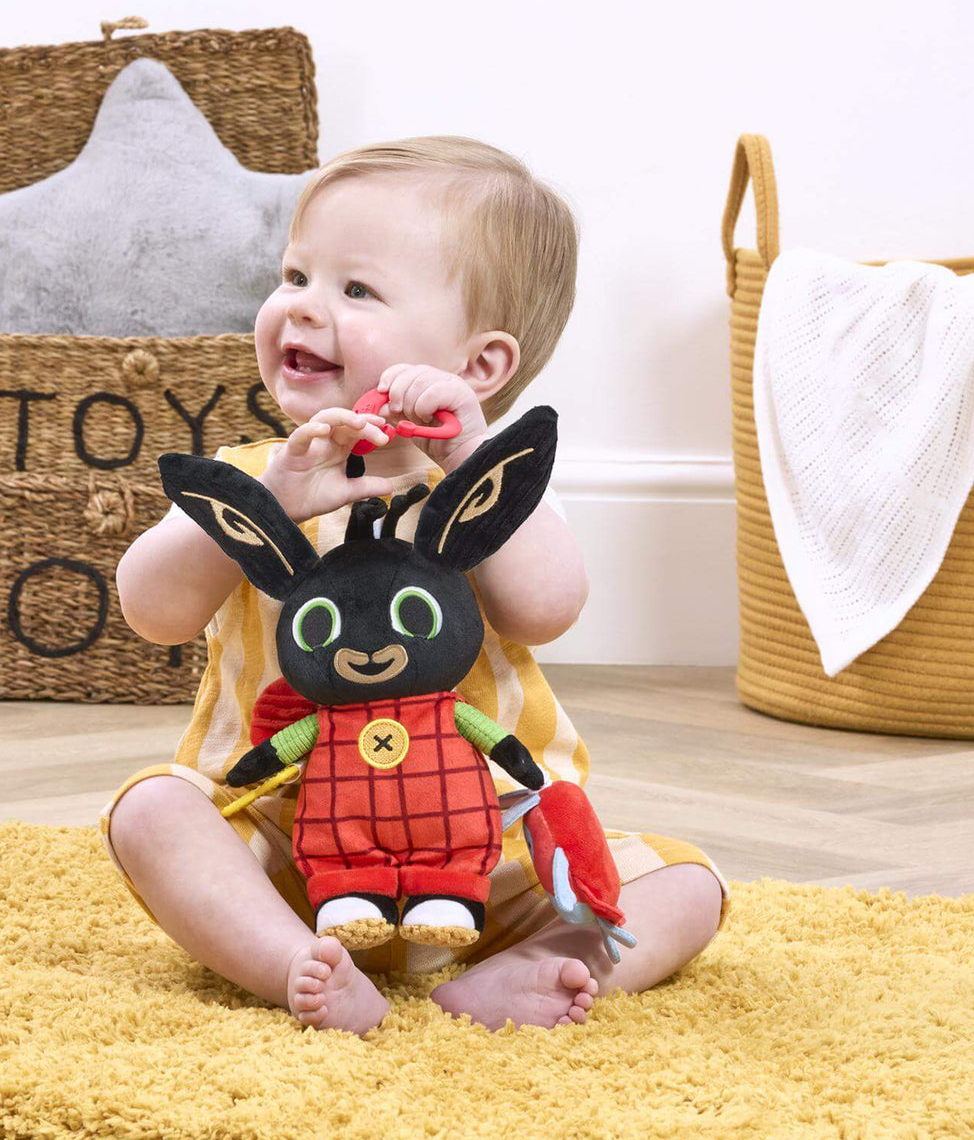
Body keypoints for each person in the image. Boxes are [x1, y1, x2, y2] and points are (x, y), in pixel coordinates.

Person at [100, 136, 730, 1036]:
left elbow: (551, 607)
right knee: (153, 811)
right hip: (285, 844)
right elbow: (150, 612)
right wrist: (269, 502)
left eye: (355, 290)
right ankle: (293, 961)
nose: (302, 309)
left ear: (478, 367)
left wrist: (468, 456)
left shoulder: (483, 495)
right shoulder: (250, 476)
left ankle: (537, 963)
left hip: (491, 848)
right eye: (295, 274)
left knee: (687, 882)